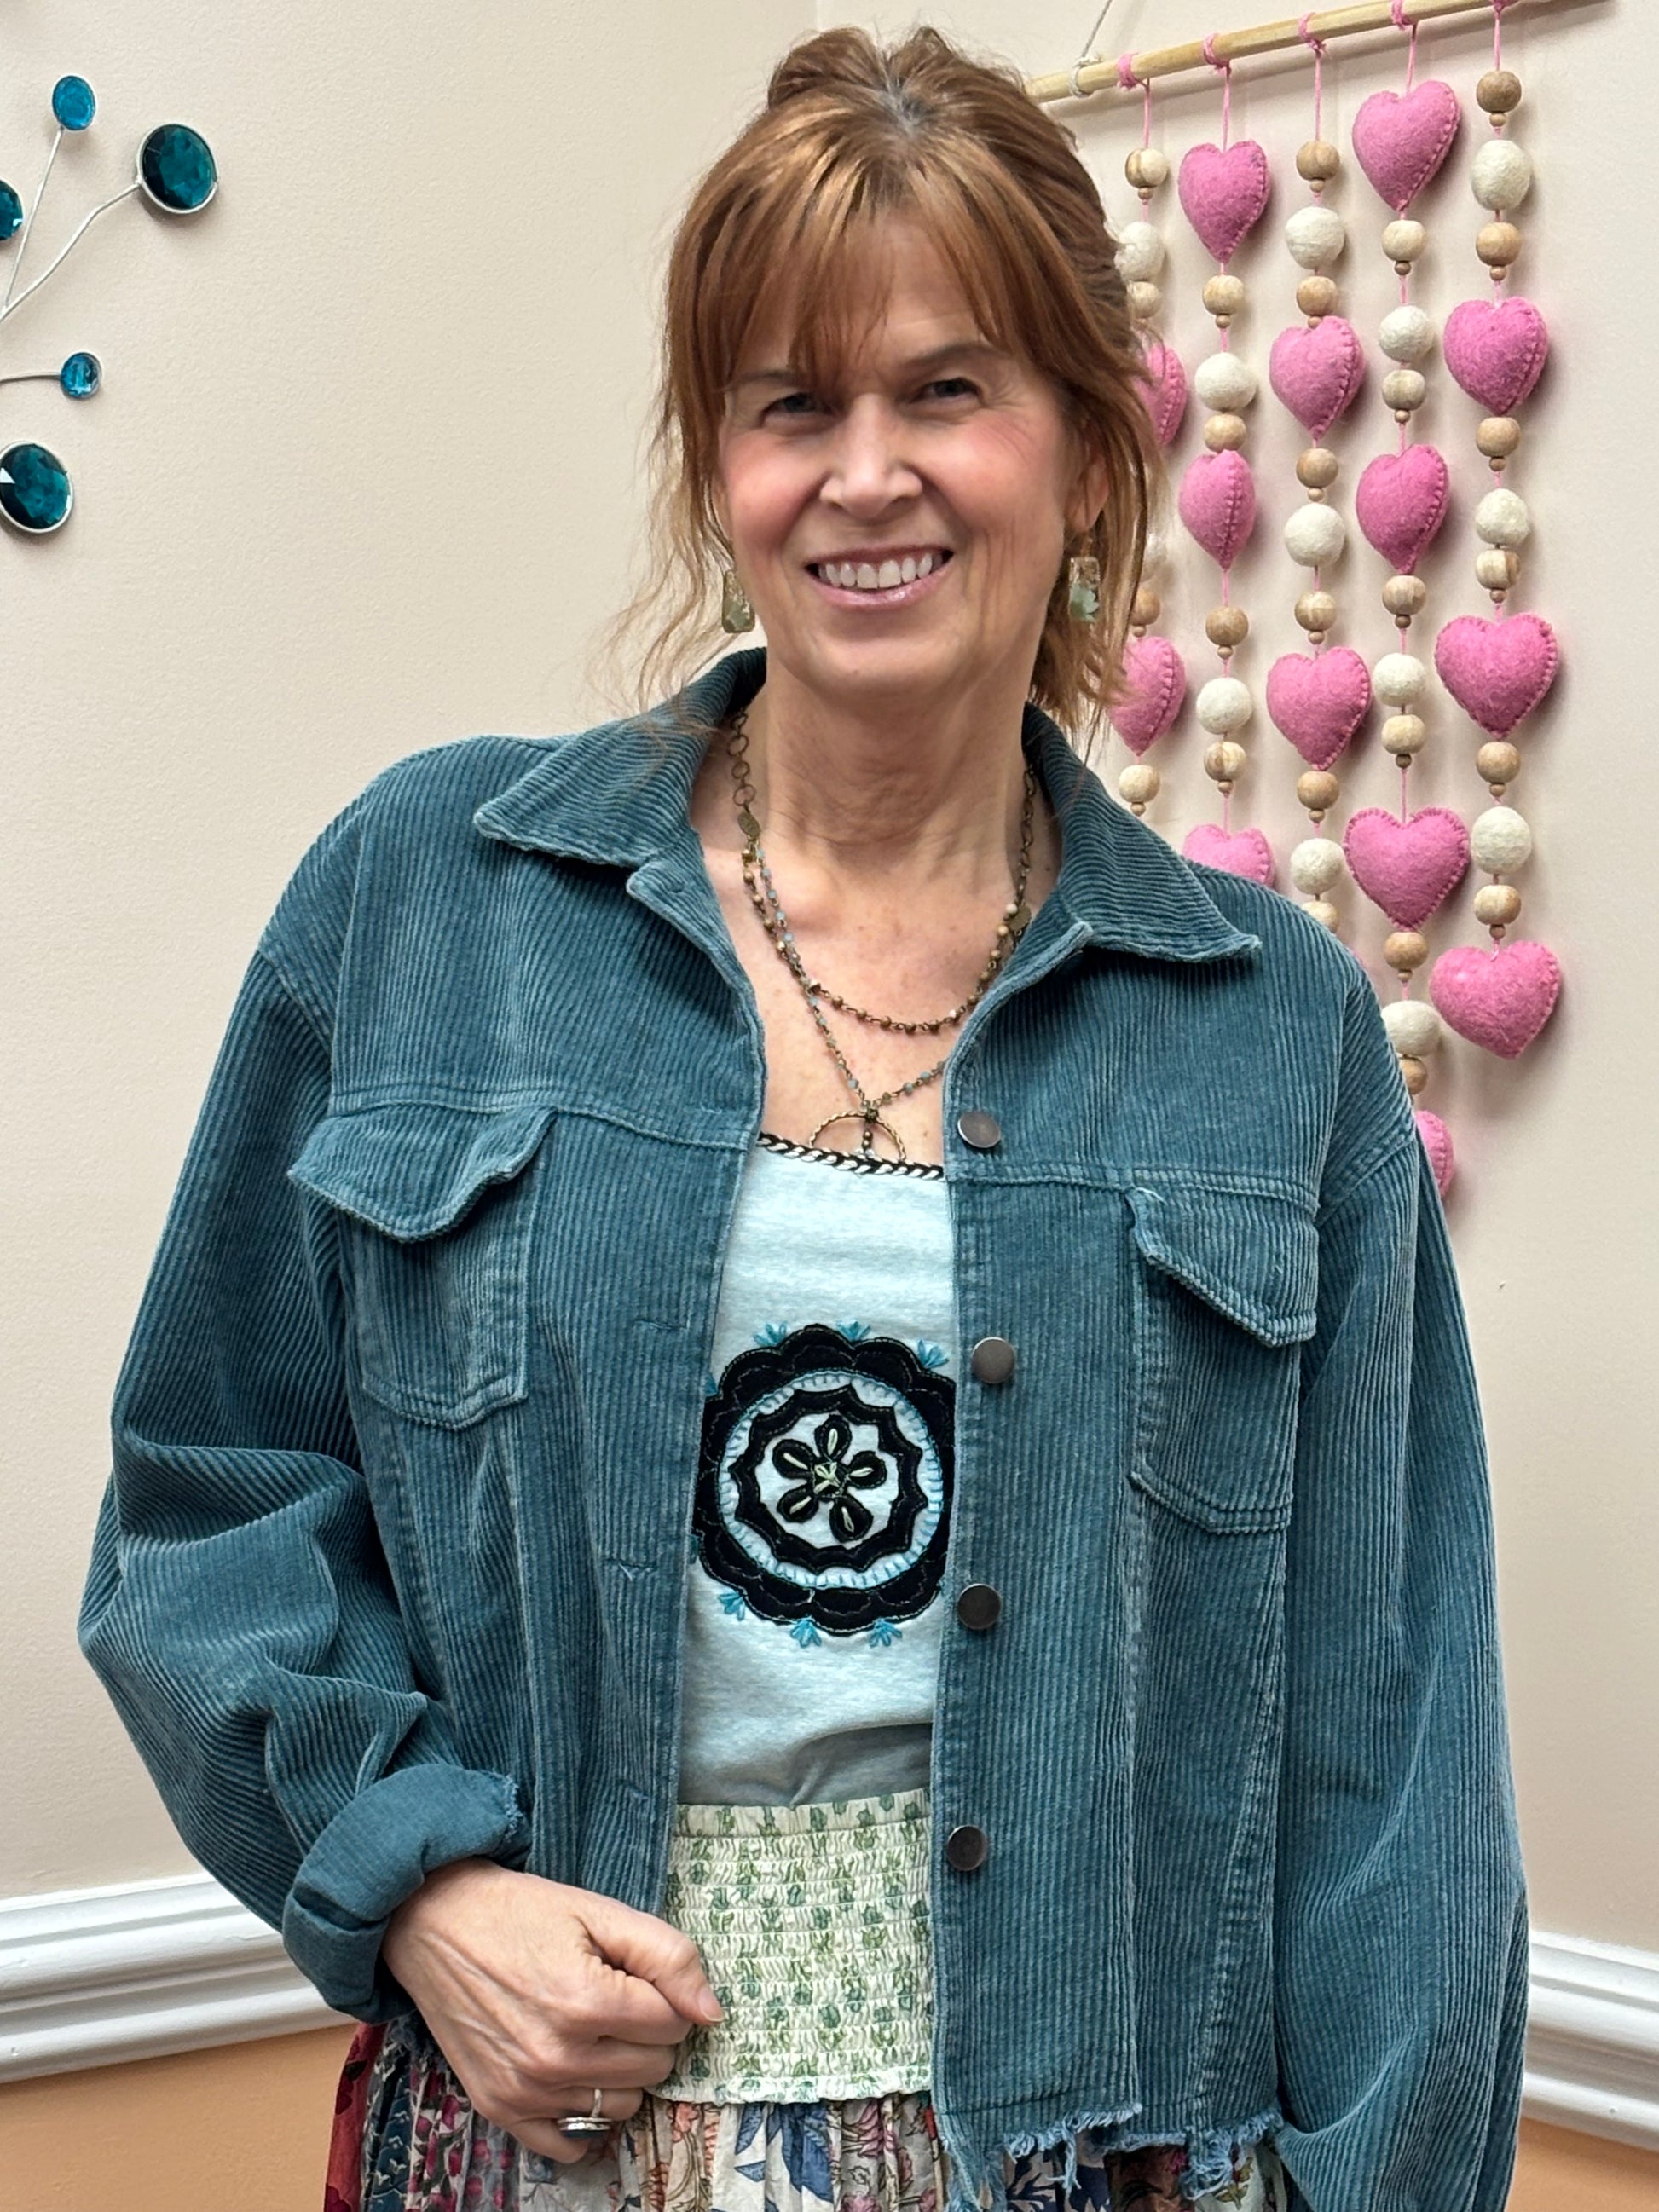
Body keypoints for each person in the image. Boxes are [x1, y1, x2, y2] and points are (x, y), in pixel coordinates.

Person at [78, 23, 1529, 2212]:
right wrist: (419, 1884)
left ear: (1085, 447)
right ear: (716, 465)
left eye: (946, 389)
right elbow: (206, 1502)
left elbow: (1390, 1750)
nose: (867, 475)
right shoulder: (426, 902)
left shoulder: (1273, 1035)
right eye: (790, 405)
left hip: (1104, 2143)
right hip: (540, 2140)